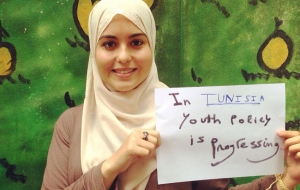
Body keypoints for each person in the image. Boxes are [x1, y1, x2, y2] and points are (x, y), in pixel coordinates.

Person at [41, 0, 300, 189]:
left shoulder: (184, 116)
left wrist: (286, 180)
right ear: (94, 52)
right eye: (109, 43)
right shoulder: (72, 125)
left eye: (136, 42)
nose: (123, 56)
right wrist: (113, 165)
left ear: (151, 46)